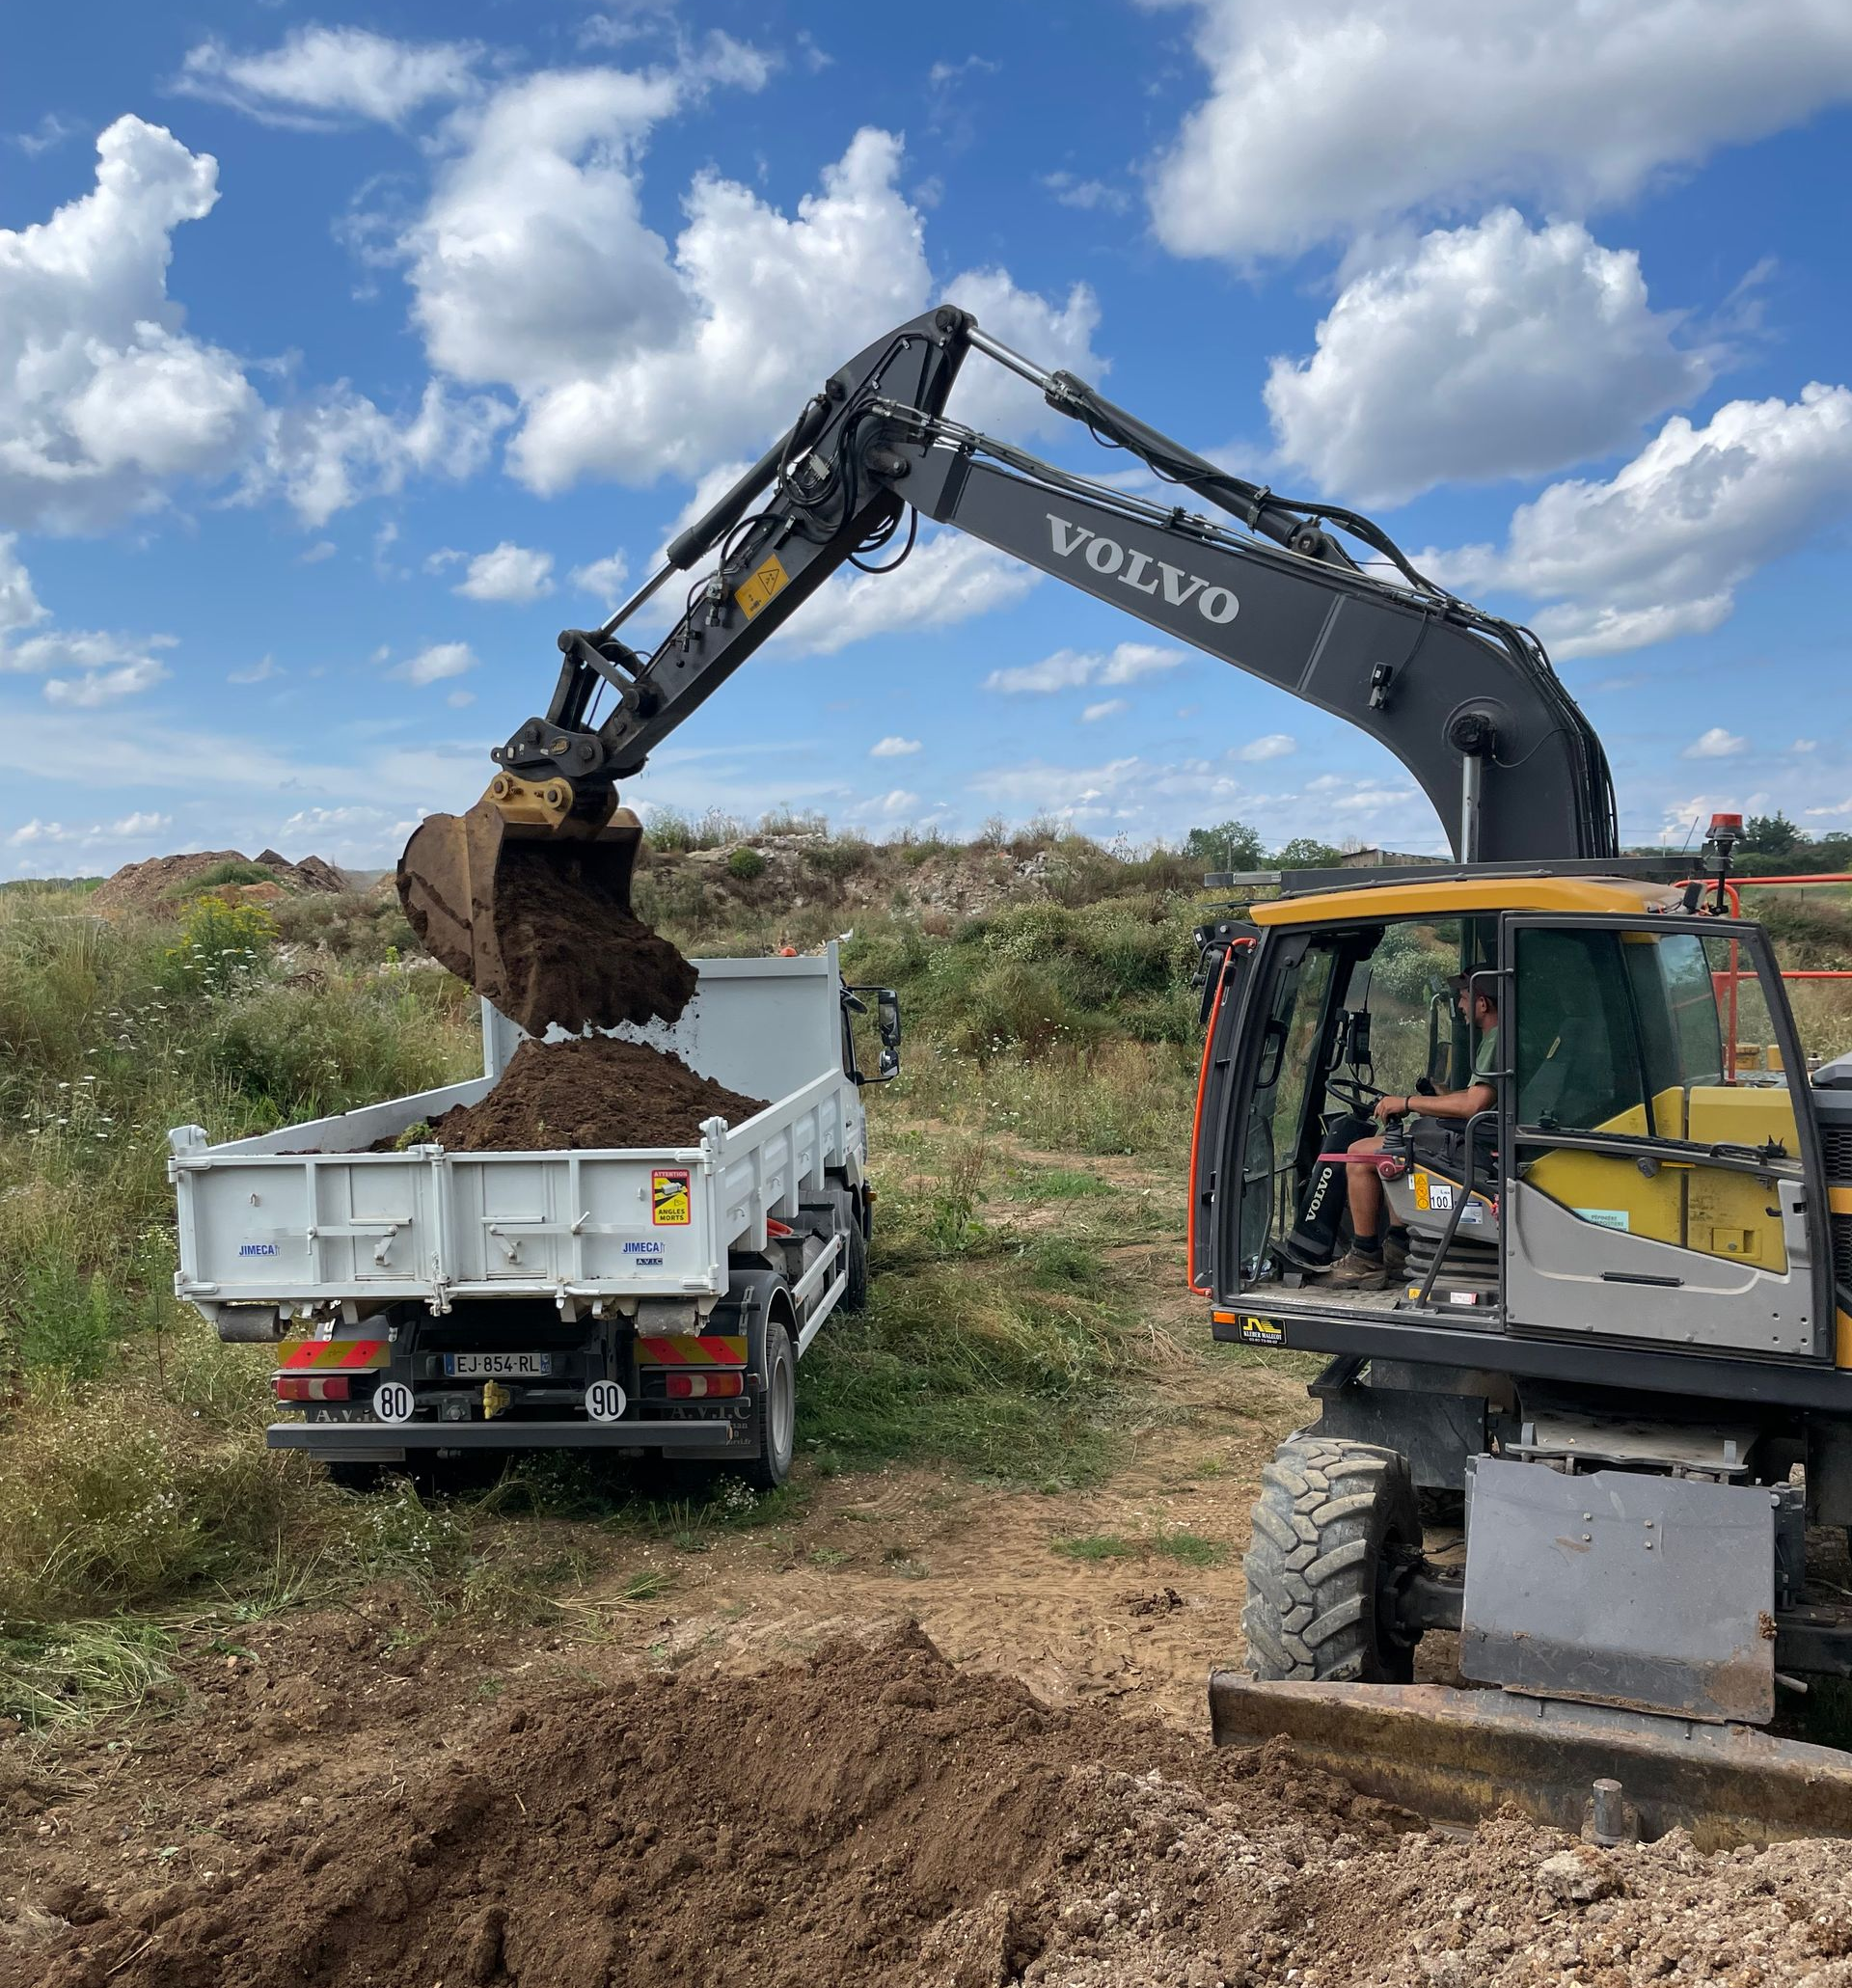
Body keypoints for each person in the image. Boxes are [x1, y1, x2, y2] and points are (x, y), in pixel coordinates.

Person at [1324, 973, 1500, 1291]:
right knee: (1401, 1143)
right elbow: (1478, 1096)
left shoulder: (1497, 1038)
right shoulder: (1498, 1038)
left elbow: (1475, 1105)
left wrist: (1406, 1102)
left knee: (1360, 1154)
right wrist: (1442, 1095)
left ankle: (1365, 1258)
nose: (1460, 1006)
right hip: (1480, 1135)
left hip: (1477, 1145)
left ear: (1483, 1003)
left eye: (1463, 998)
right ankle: (1397, 1246)